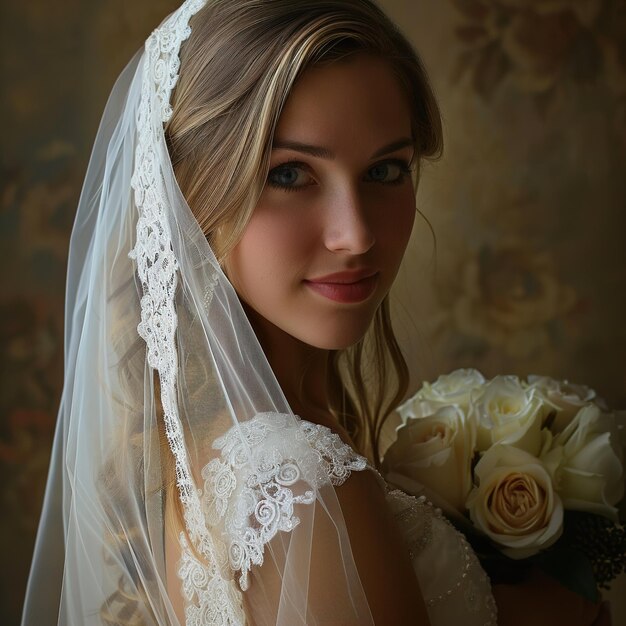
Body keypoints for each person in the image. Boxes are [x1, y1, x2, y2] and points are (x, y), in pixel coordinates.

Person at [19, 1, 607, 625]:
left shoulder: (208, 454)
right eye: (291, 174)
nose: (355, 235)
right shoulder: (298, 486)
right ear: (190, 194)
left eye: (386, 170)